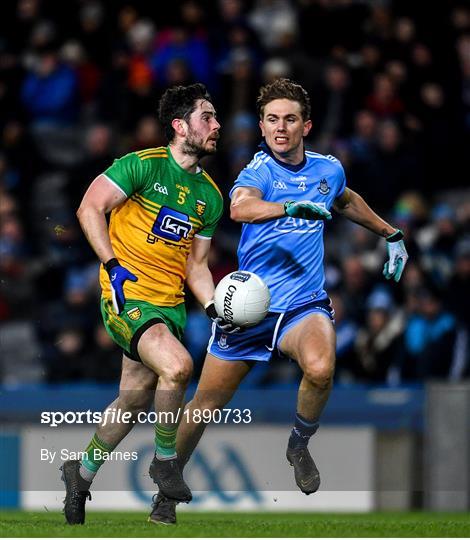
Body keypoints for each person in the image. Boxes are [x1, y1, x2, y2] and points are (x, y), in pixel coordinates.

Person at [150, 78, 409, 524]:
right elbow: (241, 208)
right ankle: (167, 493)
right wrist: (289, 208)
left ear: (306, 125)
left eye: (289, 119)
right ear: (262, 127)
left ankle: (299, 443)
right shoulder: (257, 173)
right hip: (249, 310)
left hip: (302, 304)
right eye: (272, 120)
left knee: (321, 368)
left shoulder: (328, 171)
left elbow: (345, 200)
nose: (280, 128)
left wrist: (391, 234)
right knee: (204, 406)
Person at [61, 83, 233, 525]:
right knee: (177, 367)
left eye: (216, 118)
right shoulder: (141, 165)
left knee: (133, 400)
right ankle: (164, 463)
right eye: (207, 117)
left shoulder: (210, 196)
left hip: (170, 308)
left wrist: (215, 309)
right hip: (126, 297)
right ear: (180, 126)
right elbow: (88, 208)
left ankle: (79, 475)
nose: (216, 126)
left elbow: (197, 265)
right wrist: (112, 265)